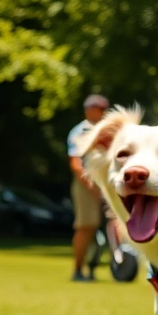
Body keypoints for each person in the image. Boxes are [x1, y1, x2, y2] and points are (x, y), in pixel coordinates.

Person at [67, 94, 109, 281]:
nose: (103, 111)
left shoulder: (110, 129)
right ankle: (78, 270)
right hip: (87, 183)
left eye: (104, 108)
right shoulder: (80, 131)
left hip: (108, 182)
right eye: (99, 108)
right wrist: (91, 186)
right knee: (87, 226)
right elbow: (76, 163)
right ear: (89, 109)